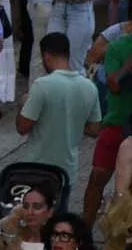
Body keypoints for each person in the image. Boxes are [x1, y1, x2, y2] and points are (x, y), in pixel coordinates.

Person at [17, 33, 101, 193]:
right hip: (67, 171)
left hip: (37, 168)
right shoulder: (90, 87)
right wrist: (70, 120)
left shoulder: (42, 85)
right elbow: (94, 130)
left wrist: (23, 103)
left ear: (46, 56)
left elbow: (22, 127)